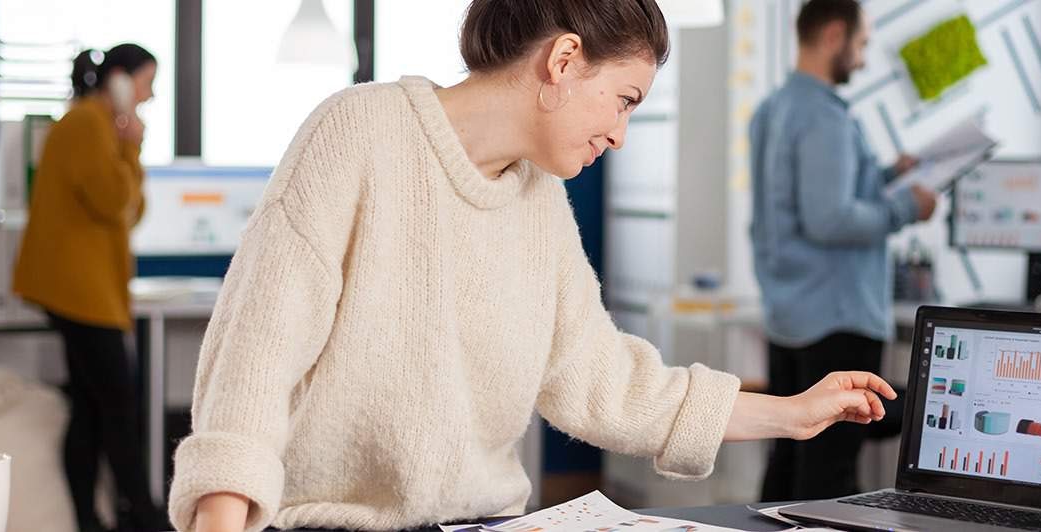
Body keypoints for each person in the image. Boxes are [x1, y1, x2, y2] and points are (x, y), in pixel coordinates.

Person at [168, 2, 897, 531]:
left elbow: (608, 384)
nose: (619, 133)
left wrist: (795, 413)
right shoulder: (357, 132)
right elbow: (252, 367)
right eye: (623, 100)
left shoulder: (540, 201)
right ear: (564, 59)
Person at [748, 0, 938, 502]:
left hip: (790, 313)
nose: (863, 57)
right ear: (835, 34)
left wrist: (887, 175)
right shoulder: (825, 117)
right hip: (837, 315)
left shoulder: (776, 108)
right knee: (830, 471)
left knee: (789, 457)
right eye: (862, 43)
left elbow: (812, 198)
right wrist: (905, 208)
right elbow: (830, 218)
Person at [12, 43, 167, 532]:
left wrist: (127, 143)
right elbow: (111, 199)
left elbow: (131, 210)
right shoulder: (86, 125)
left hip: (89, 289)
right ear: (119, 80)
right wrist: (131, 141)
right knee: (118, 406)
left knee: (92, 407)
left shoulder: (101, 127)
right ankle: (142, 517)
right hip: (79, 292)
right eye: (145, 82)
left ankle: (90, 519)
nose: (151, 93)